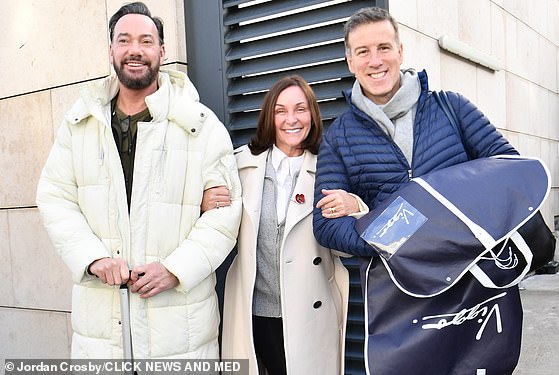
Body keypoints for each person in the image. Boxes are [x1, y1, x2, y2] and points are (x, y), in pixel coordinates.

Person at [312, 6, 520, 375]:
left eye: (383, 47)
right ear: (349, 60)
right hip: (402, 294)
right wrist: (395, 238)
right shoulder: (339, 137)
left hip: (473, 284)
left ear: (400, 51)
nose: (375, 60)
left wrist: (449, 225)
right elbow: (326, 225)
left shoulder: (450, 107)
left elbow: (508, 169)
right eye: (363, 51)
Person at [36, 2, 241, 359]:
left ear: (162, 51)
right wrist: (93, 258)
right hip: (101, 329)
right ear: (111, 50)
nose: (135, 50)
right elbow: (55, 198)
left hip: (180, 331)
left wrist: (175, 270)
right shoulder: (79, 125)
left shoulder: (201, 125)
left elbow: (224, 215)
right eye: (124, 40)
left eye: (146, 41)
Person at [214, 75, 349, 375]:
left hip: (309, 310)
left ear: (312, 115)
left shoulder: (329, 166)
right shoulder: (241, 165)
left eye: (300, 109)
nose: (291, 119)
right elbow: (213, 219)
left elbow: (350, 245)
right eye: (281, 110)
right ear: (269, 117)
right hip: (255, 309)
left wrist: (354, 206)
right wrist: (207, 199)